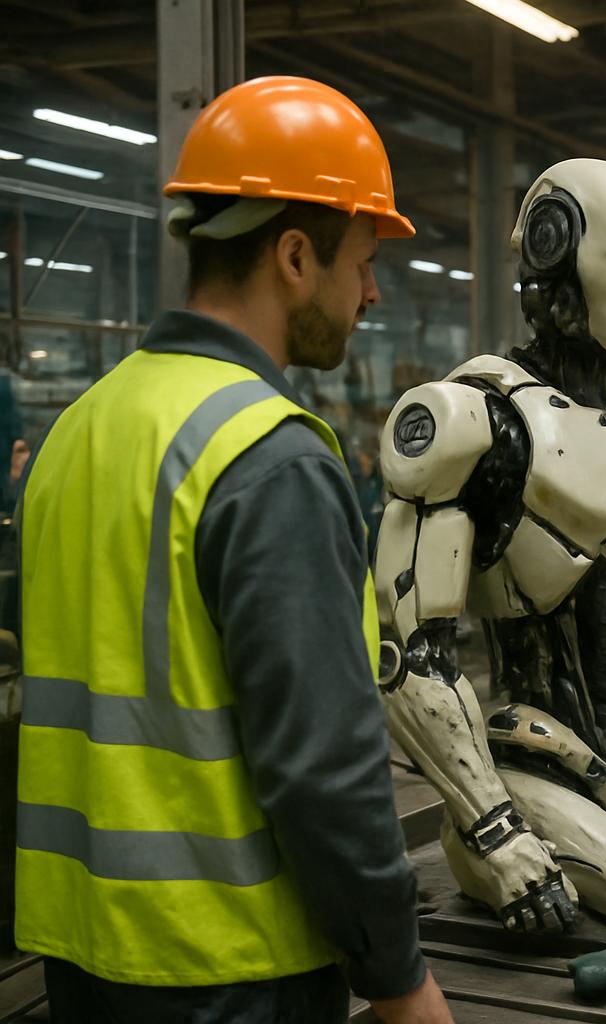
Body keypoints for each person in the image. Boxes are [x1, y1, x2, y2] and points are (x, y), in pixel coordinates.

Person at [14, 76, 452, 1023]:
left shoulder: (78, 432)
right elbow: (324, 769)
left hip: (80, 966)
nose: (373, 293)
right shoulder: (269, 456)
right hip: (230, 974)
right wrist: (400, 978)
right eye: (364, 262)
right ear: (295, 254)